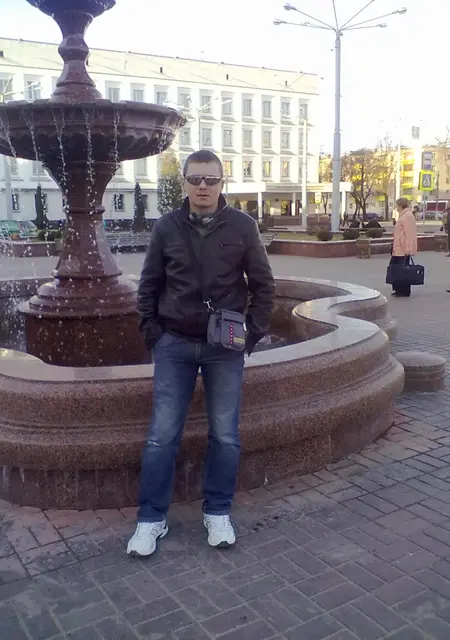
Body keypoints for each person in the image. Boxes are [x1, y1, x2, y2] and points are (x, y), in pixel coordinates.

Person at [127, 149, 275, 557]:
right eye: (195, 179)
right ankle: (151, 518)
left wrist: (252, 335)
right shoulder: (166, 227)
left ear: (222, 182)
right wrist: (154, 333)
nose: (203, 186)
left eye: (211, 179)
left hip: (224, 346)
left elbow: (263, 285)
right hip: (173, 343)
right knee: (161, 436)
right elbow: (148, 285)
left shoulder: (243, 226)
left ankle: (218, 511)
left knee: (225, 434)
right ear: (185, 183)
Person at [389, 197, 417, 297]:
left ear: (401, 205)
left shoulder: (407, 216)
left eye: (397, 206)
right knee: (395, 268)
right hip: (398, 248)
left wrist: (408, 249)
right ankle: (398, 289)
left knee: (403, 270)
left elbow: (410, 234)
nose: (396, 208)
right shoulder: (403, 215)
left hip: (403, 249)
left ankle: (404, 291)